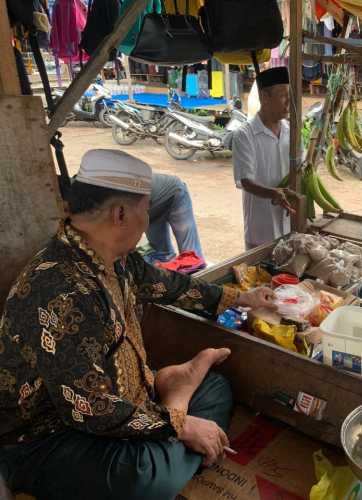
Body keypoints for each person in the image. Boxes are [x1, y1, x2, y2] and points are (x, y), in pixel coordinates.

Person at [0, 149, 276, 500]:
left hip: (122, 403)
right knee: (145, 480)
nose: (148, 220)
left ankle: (171, 396)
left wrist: (240, 298)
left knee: (218, 387)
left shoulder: (117, 259)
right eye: (146, 210)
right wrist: (180, 422)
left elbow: (170, 285)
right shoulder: (59, 292)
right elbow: (89, 409)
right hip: (48, 436)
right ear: (120, 213)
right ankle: (175, 396)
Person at [232, 66, 297, 250]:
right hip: (260, 230)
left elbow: (300, 167)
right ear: (264, 97)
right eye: (283, 95)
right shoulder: (245, 135)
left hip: (289, 227)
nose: (288, 102)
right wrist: (273, 193)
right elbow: (245, 181)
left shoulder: (290, 131)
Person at [146, 173, 205, 264]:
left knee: (191, 256)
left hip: (174, 193)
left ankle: (196, 276)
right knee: (161, 255)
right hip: (152, 207)